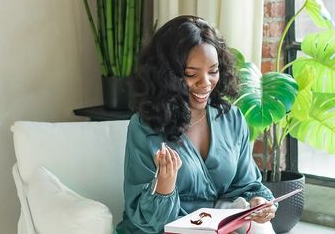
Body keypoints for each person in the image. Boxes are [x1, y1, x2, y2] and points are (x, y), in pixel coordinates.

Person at [116, 15, 276, 234]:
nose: (206, 83)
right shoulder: (145, 128)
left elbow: (247, 185)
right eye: (191, 74)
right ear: (167, 75)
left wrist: (258, 202)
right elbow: (146, 222)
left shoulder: (231, 119)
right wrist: (164, 185)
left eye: (213, 71)